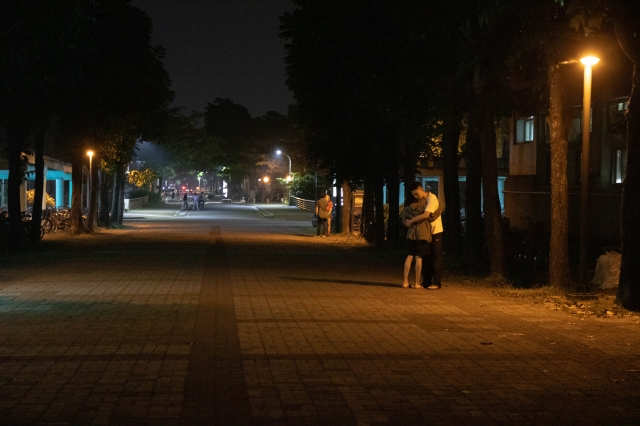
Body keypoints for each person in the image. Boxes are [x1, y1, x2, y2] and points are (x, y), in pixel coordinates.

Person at [404, 182, 444, 290]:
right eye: (414, 195)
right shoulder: (421, 201)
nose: (416, 196)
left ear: (421, 189)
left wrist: (411, 221)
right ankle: (426, 282)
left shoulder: (431, 198)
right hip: (425, 232)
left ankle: (436, 282)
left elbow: (426, 215)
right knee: (425, 256)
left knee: (435, 256)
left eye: (417, 194)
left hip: (435, 231)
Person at [401, 193, 431, 288]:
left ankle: (405, 281)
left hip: (411, 234)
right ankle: (417, 283)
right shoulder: (424, 203)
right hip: (422, 233)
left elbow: (404, 221)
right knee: (419, 258)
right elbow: (431, 216)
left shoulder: (407, 206)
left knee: (409, 256)